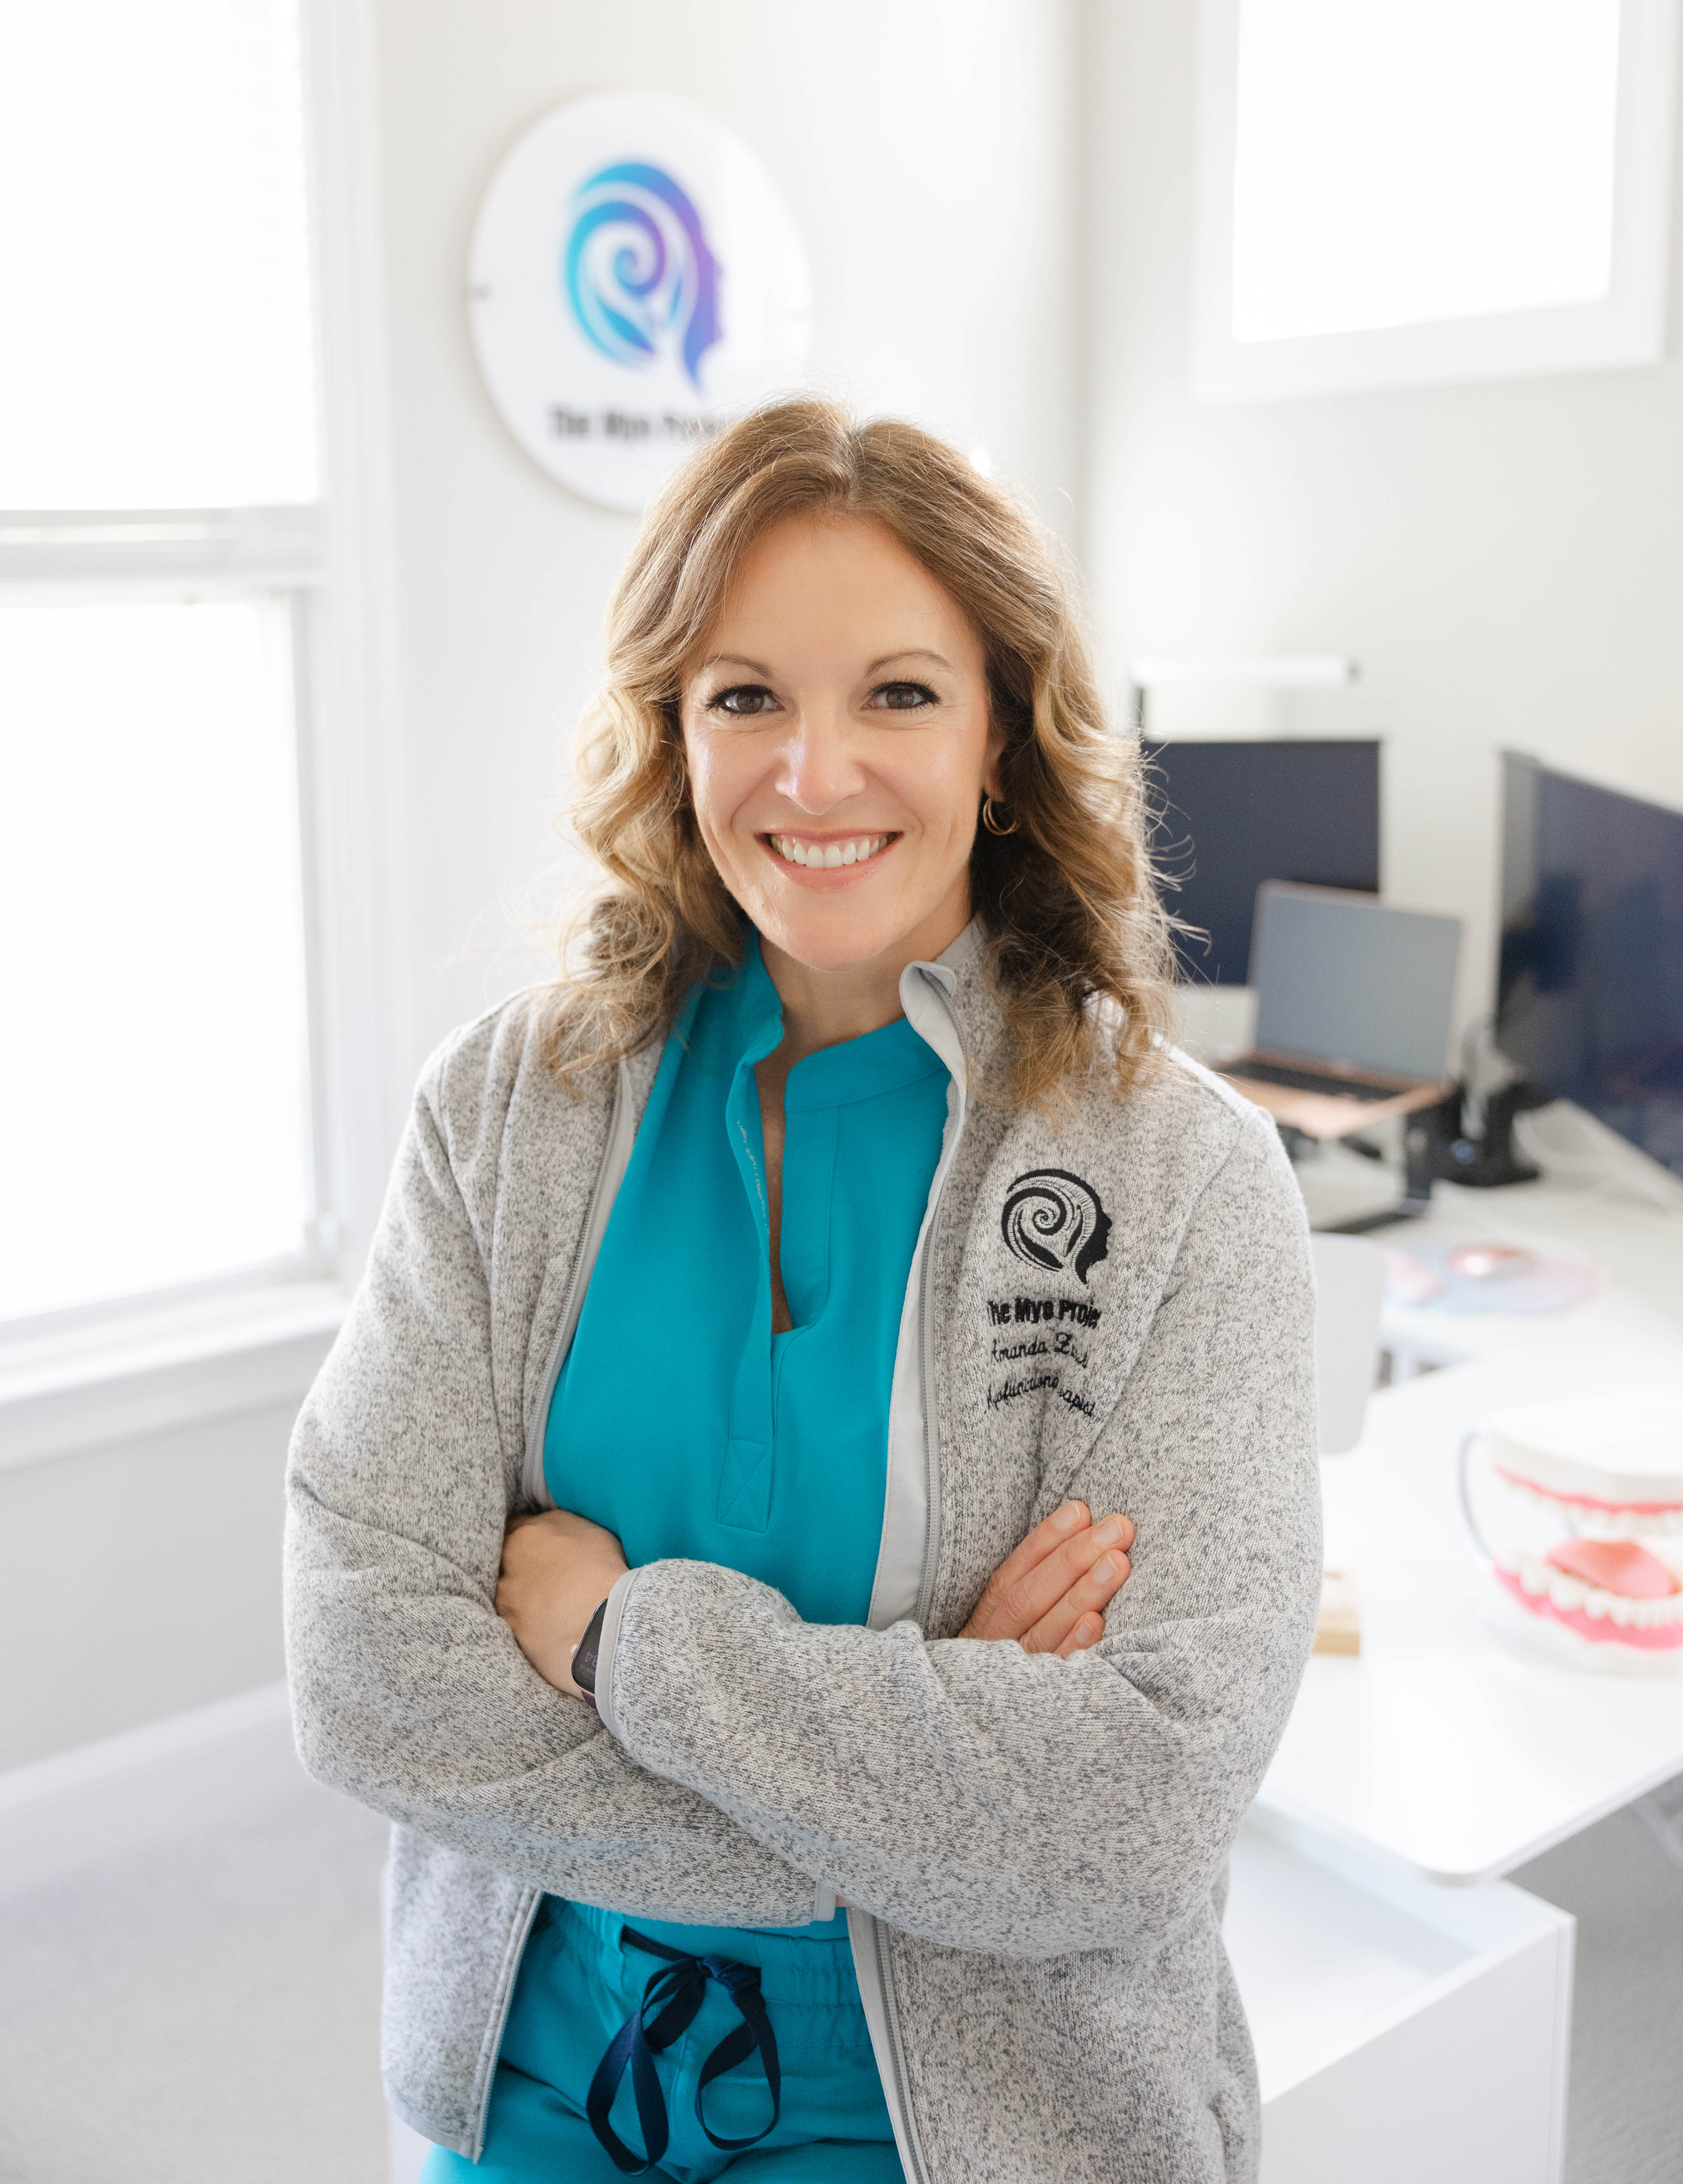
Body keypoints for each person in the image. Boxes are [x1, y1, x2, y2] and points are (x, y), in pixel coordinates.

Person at [284, 399, 1321, 2184]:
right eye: (747, 695)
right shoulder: (507, 1108)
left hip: (982, 2120)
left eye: (898, 694)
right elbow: (365, 1669)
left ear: (1002, 740)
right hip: (541, 2080)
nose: (814, 773)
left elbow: (1129, 1808)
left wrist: (618, 1642)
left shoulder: (1183, 1178)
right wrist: (927, 1769)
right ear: (672, 731)